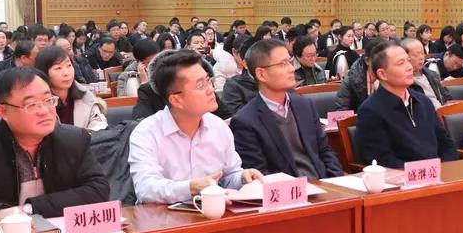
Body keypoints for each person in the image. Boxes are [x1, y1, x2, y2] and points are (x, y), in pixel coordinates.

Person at [0, 67, 110, 233]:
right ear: (4, 111)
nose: (44, 111)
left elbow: (98, 189)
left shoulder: (74, 139)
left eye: (48, 100)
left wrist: (29, 208)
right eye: (31, 104)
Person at [128, 50, 263, 204]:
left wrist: (242, 178)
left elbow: (228, 175)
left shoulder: (218, 126)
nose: (211, 90)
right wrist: (191, 187)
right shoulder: (147, 133)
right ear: (176, 100)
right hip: (163, 216)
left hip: (213, 211)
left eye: (208, 81)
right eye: (200, 86)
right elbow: (146, 189)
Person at [231, 39, 343, 179]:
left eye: (290, 62)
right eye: (283, 64)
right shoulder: (245, 121)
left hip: (323, 183)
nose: (291, 69)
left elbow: (325, 150)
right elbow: (260, 174)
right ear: (261, 74)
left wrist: (335, 180)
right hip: (287, 190)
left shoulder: (304, 105)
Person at [354, 42, 458, 168]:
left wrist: (444, 168)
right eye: (401, 63)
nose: (409, 67)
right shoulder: (370, 111)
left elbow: (446, 143)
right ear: (382, 74)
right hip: (404, 177)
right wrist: (422, 171)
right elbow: (381, 159)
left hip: (438, 173)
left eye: (408, 60)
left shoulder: (423, 101)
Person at [34, 45, 107, 131]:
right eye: (58, 68)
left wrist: (83, 136)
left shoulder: (85, 95)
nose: (66, 73)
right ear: (44, 73)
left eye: (69, 65)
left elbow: (99, 124)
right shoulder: (38, 104)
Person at [334, 38, 383, 112]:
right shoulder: (351, 80)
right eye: (380, 60)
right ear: (367, 61)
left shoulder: (393, 79)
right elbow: (340, 113)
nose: (384, 64)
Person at [402, 38, 451, 109]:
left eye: (422, 53)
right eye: (416, 55)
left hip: (442, 111)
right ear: (405, 58)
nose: (421, 58)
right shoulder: (404, 83)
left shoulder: (431, 74)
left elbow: (446, 96)